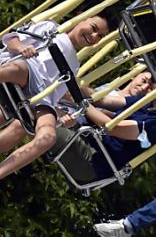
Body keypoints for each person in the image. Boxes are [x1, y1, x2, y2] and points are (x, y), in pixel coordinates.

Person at [0, 9, 119, 181]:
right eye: (93, 28)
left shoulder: (74, 67)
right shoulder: (51, 28)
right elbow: (10, 38)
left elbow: (54, 98)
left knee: (48, 137)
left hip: (42, 96)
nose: (93, 36)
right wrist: (21, 48)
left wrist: (60, 119)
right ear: (82, 17)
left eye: (99, 36)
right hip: (27, 70)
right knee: (15, 70)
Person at [48, 77, 156, 185]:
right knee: (47, 107)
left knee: (47, 125)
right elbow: (102, 100)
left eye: (155, 80)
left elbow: (111, 127)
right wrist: (69, 81)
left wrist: (77, 100)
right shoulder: (146, 102)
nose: (148, 86)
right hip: (85, 135)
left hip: (93, 161)